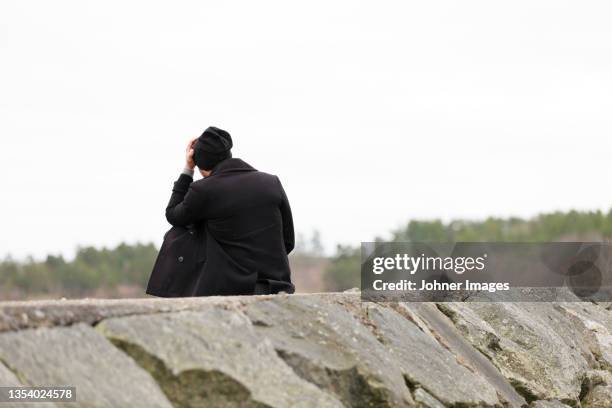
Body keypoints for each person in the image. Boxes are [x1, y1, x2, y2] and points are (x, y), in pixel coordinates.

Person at [163, 126, 295, 296]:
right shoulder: (271, 182)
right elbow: (288, 241)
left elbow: (173, 214)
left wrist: (188, 169)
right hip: (278, 286)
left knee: (181, 231)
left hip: (231, 290)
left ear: (201, 165)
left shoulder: (204, 190)